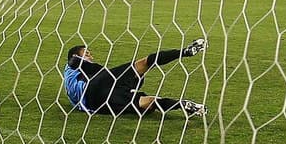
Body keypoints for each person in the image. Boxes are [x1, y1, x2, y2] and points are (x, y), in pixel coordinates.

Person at [63, 39, 208, 118]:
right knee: (144, 63)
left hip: (98, 103)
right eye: (87, 53)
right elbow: (75, 62)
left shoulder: (75, 76)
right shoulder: (72, 66)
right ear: (76, 55)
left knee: (146, 102)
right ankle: (186, 51)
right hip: (95, 88)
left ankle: (184, 105)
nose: (90, 56)